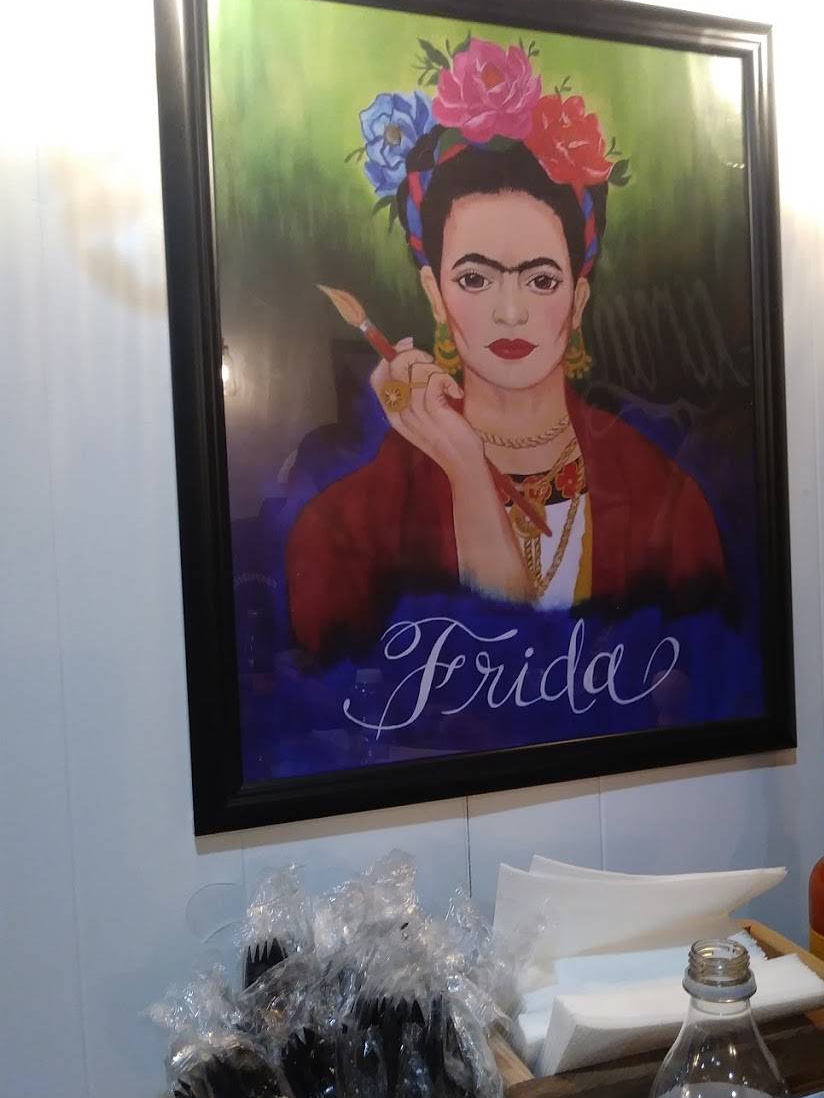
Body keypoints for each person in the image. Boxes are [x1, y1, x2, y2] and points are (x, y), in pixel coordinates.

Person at [286, 37, 726, 660]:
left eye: (541, 280)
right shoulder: (349, 527)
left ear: (578, 299)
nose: (511, 311)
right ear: (434, 294)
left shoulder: (665, 504)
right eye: (475, 278)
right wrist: (464, 465)